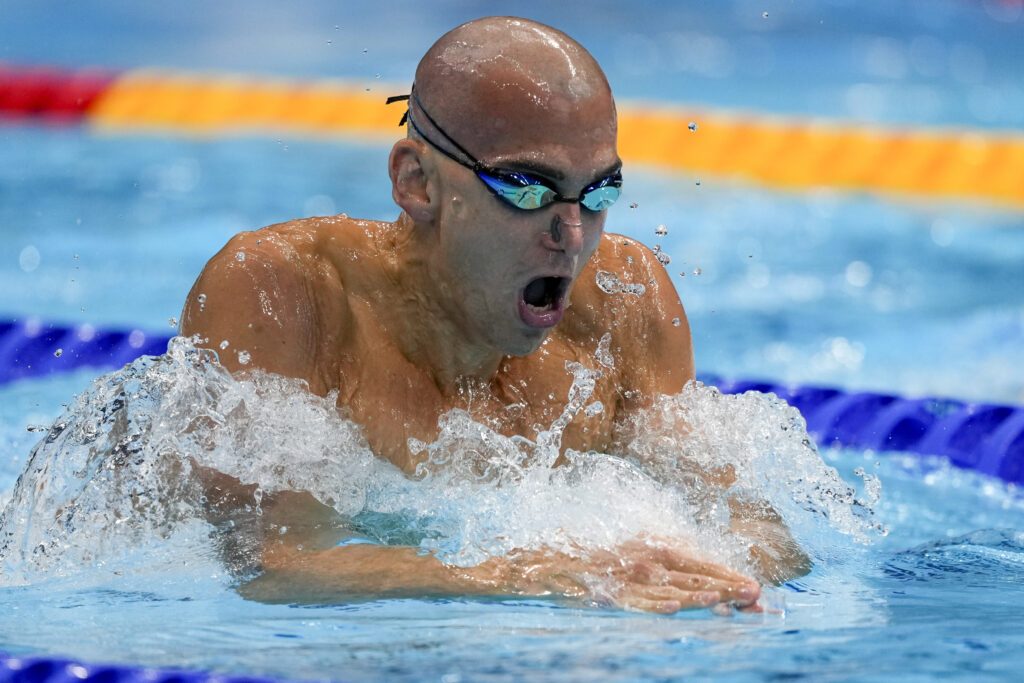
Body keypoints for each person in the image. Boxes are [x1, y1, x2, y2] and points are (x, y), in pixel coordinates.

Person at [182, 16, 808, 614]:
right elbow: (275, 562)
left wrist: (705, 569)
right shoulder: (285, 293)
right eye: (528, 188)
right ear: (416, 181)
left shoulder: (624, 299)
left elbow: (758, 525)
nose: (571, 234)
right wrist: (526, 576)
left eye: (599, 193)